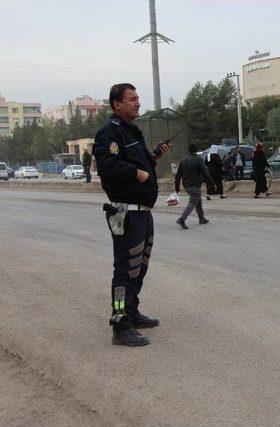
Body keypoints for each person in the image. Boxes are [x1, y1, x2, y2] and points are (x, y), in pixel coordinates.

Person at [93, 83, 170, 347]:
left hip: (143, 214)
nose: (138, 103)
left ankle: (132, 312)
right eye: (132, 99)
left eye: (138, 98)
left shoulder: (130, 131)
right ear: (117, 104)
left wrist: (154, 157)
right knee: (125, 270)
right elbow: (108, 166)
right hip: (126, 213)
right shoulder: (109, 133)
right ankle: (120, 324)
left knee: (139, 267)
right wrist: (139, 173)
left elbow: (138, 160)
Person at [174, 144, 216, 230]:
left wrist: (177, 188)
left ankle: (201, 218)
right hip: (195, 185)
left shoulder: (183, 161)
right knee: (193, 202)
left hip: (186, 185)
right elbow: (205, 172)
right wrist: (212, 183)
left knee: (198, 200)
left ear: (188, 150)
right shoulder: (198, 159)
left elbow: (177, 176)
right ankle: (182, 219)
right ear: (196, 150)